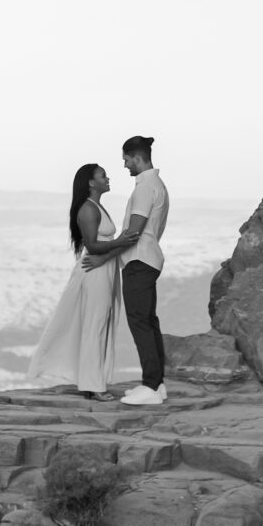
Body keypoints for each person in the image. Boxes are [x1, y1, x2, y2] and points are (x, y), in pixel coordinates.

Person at [23, 162, 135, 396]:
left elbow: (104, 247)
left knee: (101, 323)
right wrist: (120, 242)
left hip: (104, 268)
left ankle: (92, 381)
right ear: (91, 182)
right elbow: (93, 247)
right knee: (95, 325)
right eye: (103, 176)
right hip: (94, 272)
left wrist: (116, 247)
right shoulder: (88, 209)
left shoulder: (97, 207)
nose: (108, 178)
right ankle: (94, 386)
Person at [82, 134, 169, 405]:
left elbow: (133, 233)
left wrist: (102, 258)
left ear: (137, 157)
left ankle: (152, 387)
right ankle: (156, 384)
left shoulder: (145, 187)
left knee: (140, 323)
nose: (124, 166)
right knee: (148, 322)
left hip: (139, 261)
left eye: (126, 160)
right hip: (146, 260)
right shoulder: (155, 184)